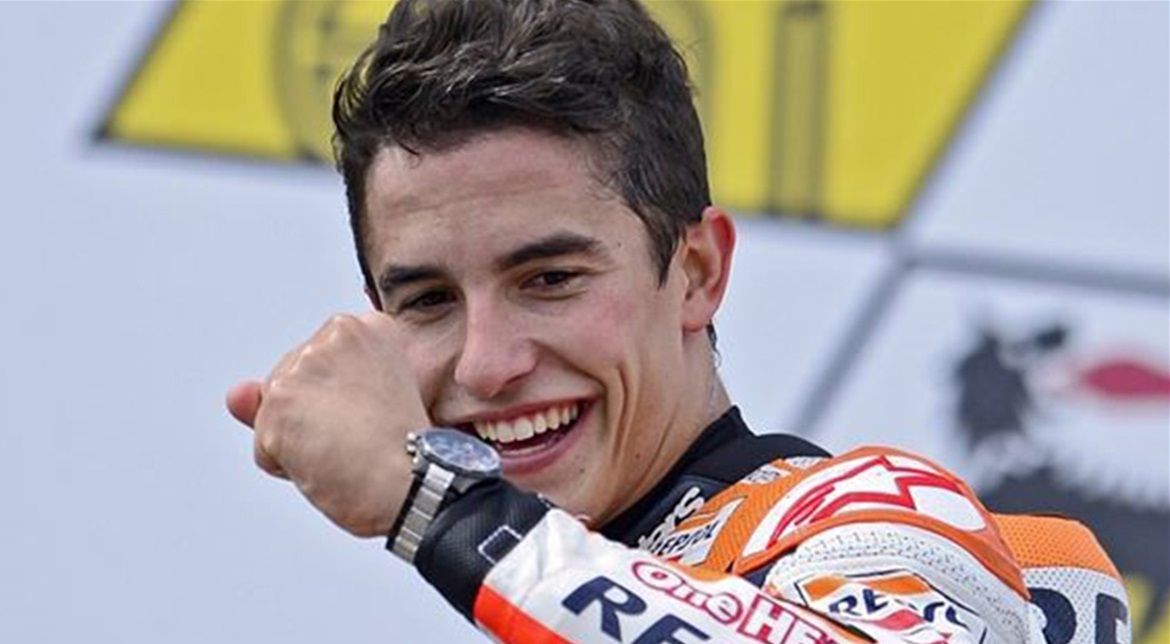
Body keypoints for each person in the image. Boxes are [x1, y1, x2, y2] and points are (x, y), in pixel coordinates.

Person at [225, 0, 1129, 641]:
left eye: (550, 279)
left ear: (697, 272)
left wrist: (436, 504)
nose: (487, 364)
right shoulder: (507, 586)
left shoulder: (881, 522)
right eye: (428, 301)